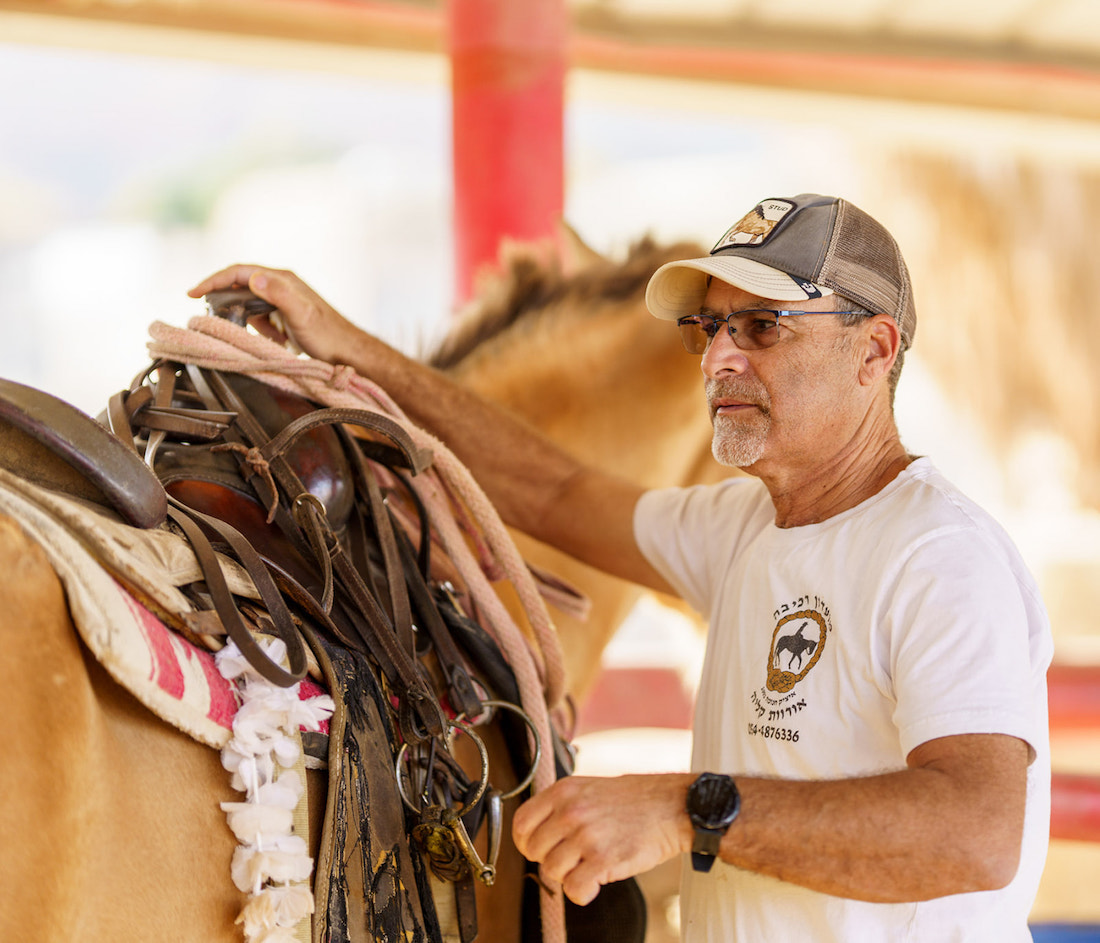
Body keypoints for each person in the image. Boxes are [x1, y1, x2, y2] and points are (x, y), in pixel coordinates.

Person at [190, 193, 1052, 941]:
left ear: (874, 349)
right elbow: (554, 486)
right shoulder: (743, 528)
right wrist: (346, 351)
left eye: (761, 326)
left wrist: (684, 809)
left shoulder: (940, 556)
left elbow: (976, 831)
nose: (719, 358)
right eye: (709, 328)